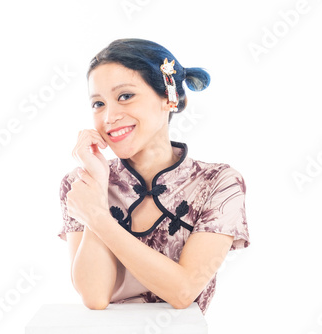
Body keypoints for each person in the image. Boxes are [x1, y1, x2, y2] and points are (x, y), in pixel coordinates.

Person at [57, 38, 250, 315]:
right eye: (98, 103)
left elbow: (183, 292)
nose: (109, 117)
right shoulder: (80, 185)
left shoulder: (218, 182)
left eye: (125, 96)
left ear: (168, 98)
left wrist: (97, 217)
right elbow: (95, 297)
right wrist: (98, 185)